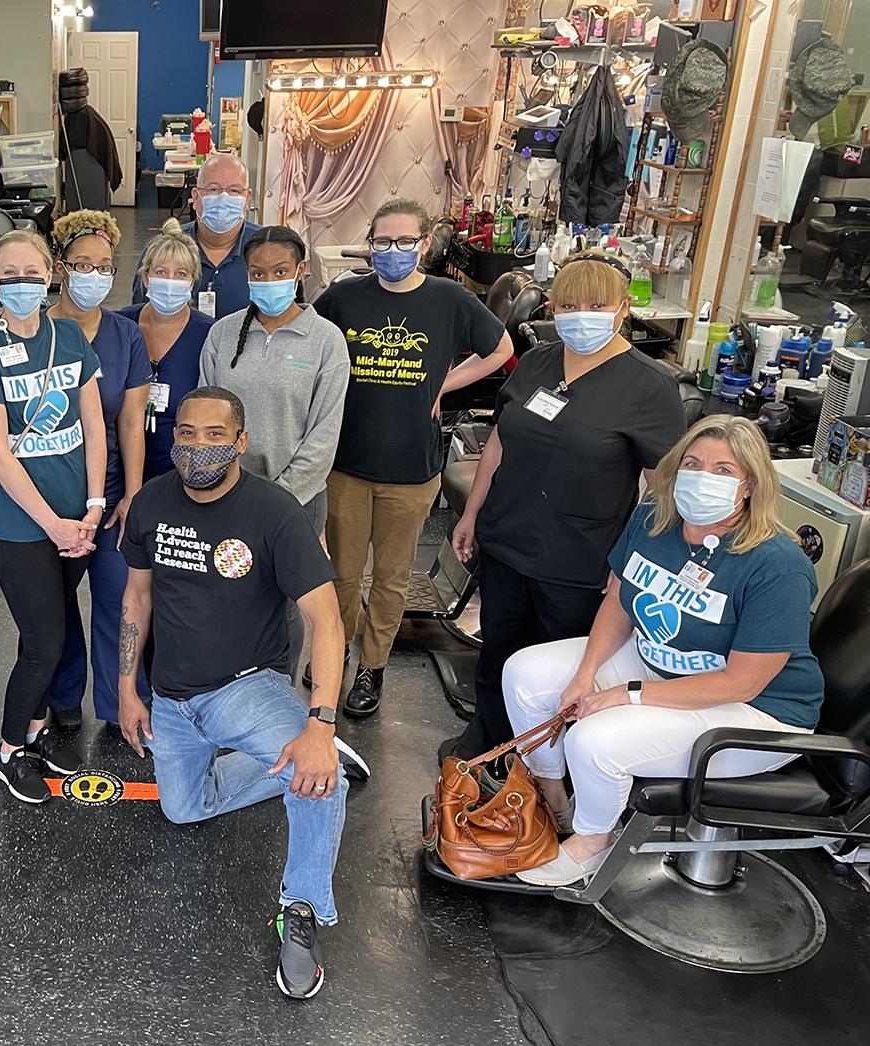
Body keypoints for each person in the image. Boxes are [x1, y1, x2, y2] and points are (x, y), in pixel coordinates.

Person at [503, 416, 822, 886]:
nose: (703, 477)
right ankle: (553, 795)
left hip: (755, 711)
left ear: (750, 485)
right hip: (661, 662)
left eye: (723, 471)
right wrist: (586, 673)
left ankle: (594, 839)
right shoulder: (654, 520)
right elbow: (619, 599)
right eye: (693, 464)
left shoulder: (777, 565)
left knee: (593, 740)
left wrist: (625, 694)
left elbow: (743, 682)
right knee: (525, 674)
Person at [118, 386, 349, 1001]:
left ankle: (300, 908)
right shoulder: (149, 504)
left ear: (240, 443)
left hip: (248, 687)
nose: (199, 447)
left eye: (215, 435)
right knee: (184, 809)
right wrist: (125, 688)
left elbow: (327, 620)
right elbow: (137, 598)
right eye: (188, 434)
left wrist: (321, 726)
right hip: (171, 696)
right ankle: (294, 756)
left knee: (320, 778)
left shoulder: (274, 514)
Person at [444, 253, 686, 762]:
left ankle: (546, 765)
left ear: (622, 309)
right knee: (499, 650)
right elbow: (499, 442)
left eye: (598, 304)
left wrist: (630, 565)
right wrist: (472, 514)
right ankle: (488, 735)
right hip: (508, 538)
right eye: (571, 304)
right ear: (555, 306)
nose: (583, 315)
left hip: (581, 556)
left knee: (558, 666)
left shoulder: (649, 387)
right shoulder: (539, 361)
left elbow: (662, 491)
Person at [312, 199, 513, 717]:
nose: (393, 251)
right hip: (345, 464)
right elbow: (311, 345)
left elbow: (500, 348)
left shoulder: (448, 299)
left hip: (411, 469)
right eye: (383, 242)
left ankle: (371, 667)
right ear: (370, 244)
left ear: (423, 245)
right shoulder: (343, 295)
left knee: (394, 577)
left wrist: (444, 382)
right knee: (343, 575)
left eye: (405, 242)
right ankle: (334, 652)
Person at [0, 229, 106, 803]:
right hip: (24, 526)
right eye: (10, 274)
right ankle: (7, 750)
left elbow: (94, 428)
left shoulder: (69, 337)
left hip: (77, 517)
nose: (22, 283)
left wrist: (92, 508)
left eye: (32, 272)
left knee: (57, 629)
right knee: (44, 640)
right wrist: (53, 524)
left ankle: (37, 728)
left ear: (52, 276)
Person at [199, 225, 349, 684]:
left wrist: (275, 501)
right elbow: (206, 415)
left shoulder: (326, 342)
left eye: (280, 271)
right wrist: (221, 487)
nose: (269, 281)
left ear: (301, 271)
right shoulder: (224, 335)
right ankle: (224, 687)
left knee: (284, 603)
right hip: (225, 496)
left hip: (295, 502)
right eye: (258, 273)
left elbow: (323, 436)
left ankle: (275, 692)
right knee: (226, 593)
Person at [44, 209, 150, 730]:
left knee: (119, 599)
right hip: (50, 500)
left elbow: (131, 420)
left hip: (108, 500)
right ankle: (63, 700)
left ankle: (119, 706)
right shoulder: (35, 329)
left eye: (106, 265)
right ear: (60, 266)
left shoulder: (125, 336)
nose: (95, 275)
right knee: (54, 609)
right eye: (83, 263)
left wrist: (131, 494)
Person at [118, 217, 212, 483]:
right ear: (145, 277)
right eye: (161, 272)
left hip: (182, 473)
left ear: (192, 282)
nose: (170, 281)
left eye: (181, 274)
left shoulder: (209, 335)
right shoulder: (121, 326)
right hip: (120, 468)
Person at [129, 153, 262, 318]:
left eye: (234, 190)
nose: (223, 198)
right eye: (213, 189)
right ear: (196, 196)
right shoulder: (164, 248)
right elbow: (140, 315)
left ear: (247, 198)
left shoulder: (265, 248)